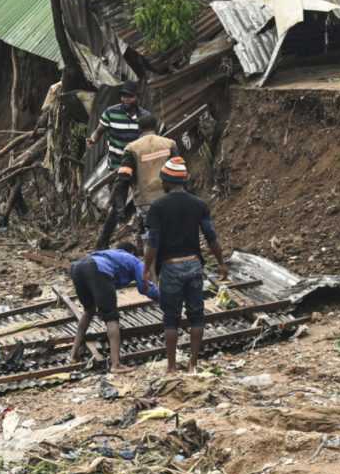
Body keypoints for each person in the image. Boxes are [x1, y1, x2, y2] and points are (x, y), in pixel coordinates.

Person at [143, 160, 227, 374]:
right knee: (196, 315)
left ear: (167, 182)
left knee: (171, 318)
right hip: (194, 265)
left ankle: (171, 366)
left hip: (171, 267)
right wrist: (221, 263)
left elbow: (153, 242)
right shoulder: (199, 204)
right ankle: (193, 365)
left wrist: (146, 269)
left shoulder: (158, 207)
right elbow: (211, 237)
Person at [69, 242, 160, 373]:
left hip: (77, 268)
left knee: (89, 311)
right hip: (97, 269)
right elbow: (144, 287)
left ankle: (73, 355)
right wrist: (161, 297)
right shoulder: (133, 260)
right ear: (132, 252)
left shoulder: (109, 254)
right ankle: (116, 365)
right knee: (111, 317)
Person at [87, 80, 151, 250]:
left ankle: (144, 243)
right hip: (116, 168)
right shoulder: (111, 113)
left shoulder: (145, 117)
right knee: (117, 208)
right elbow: (99, 130)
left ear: (136, 97)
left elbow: (149, 139)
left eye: (129, 97)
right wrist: (93, 139)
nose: (125, 99)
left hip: (137, 168)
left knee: (142, 204)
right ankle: (102, 244)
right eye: (123, 96)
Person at [114, 114, 178, 247]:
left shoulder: (131, 148)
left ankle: (153, 264)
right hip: (170, 197)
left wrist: (120, 208)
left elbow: (123, 179)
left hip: (145, 200)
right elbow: (179, 171)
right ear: (155, 126)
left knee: (152, 237)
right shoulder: (169, 144)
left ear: (139, 128)